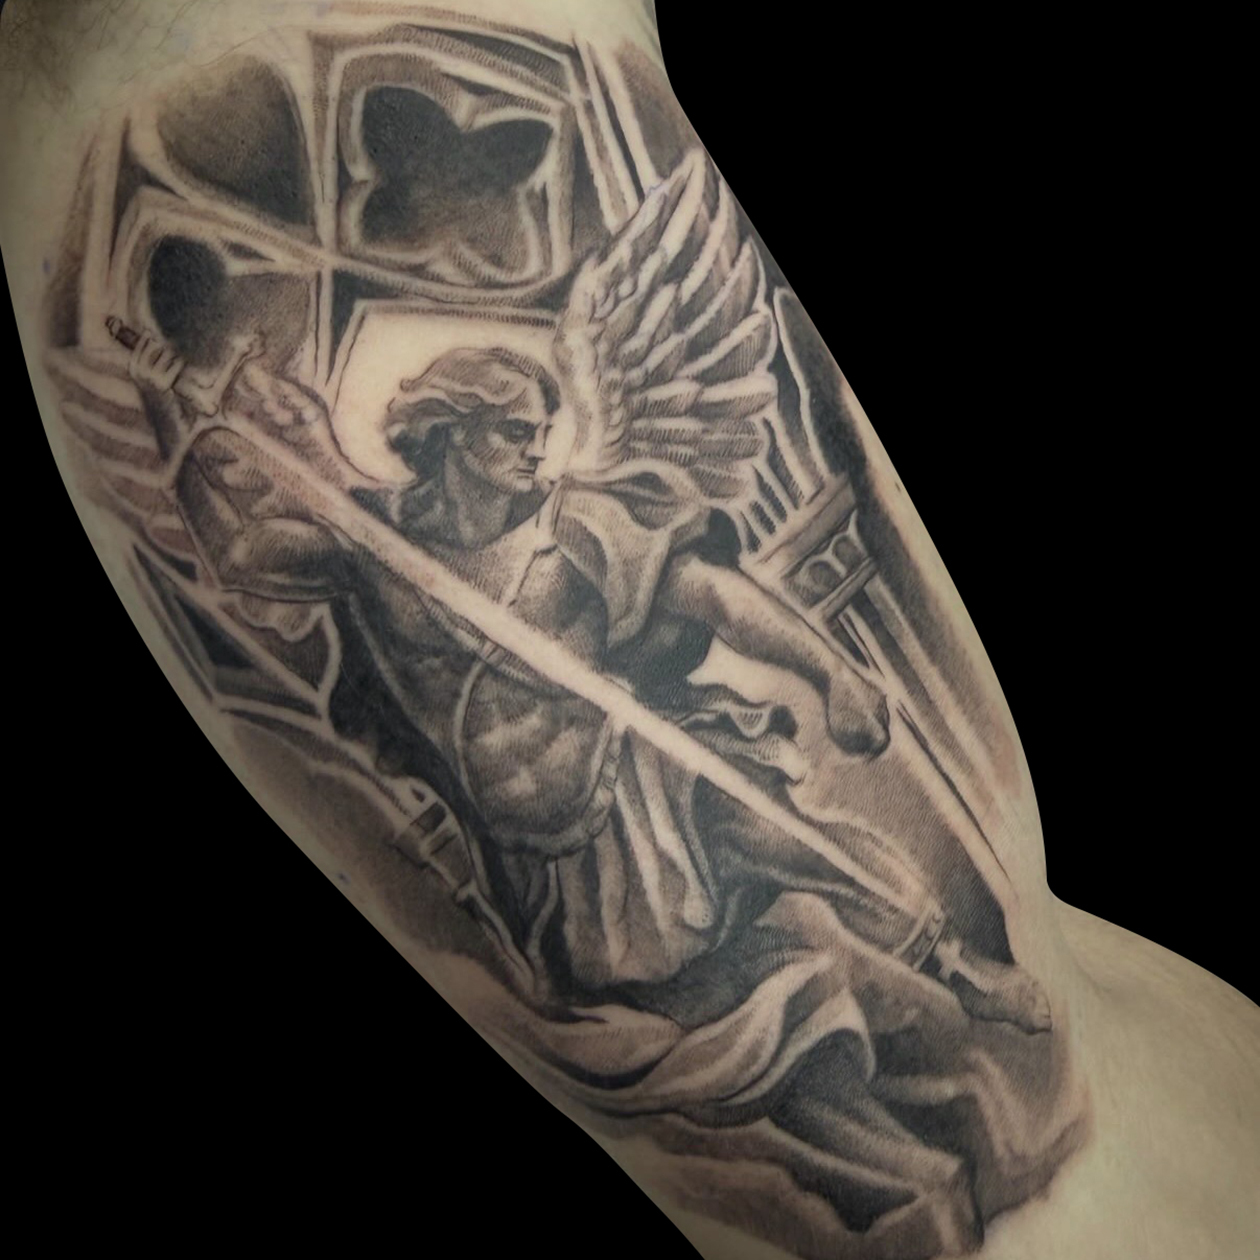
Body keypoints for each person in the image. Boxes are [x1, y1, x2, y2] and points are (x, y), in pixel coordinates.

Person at [3, 3, 1256, 1259]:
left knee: (822, 874)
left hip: (666, 791)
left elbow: (708, 592)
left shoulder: (569, 532)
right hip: (573, 876)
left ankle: (948, 973)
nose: (535, 453)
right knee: (798, 1014)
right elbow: (244, 547)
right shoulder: (372, 554)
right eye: (513, 436)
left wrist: (826, 677)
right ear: (451, 442)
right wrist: (231, 446)